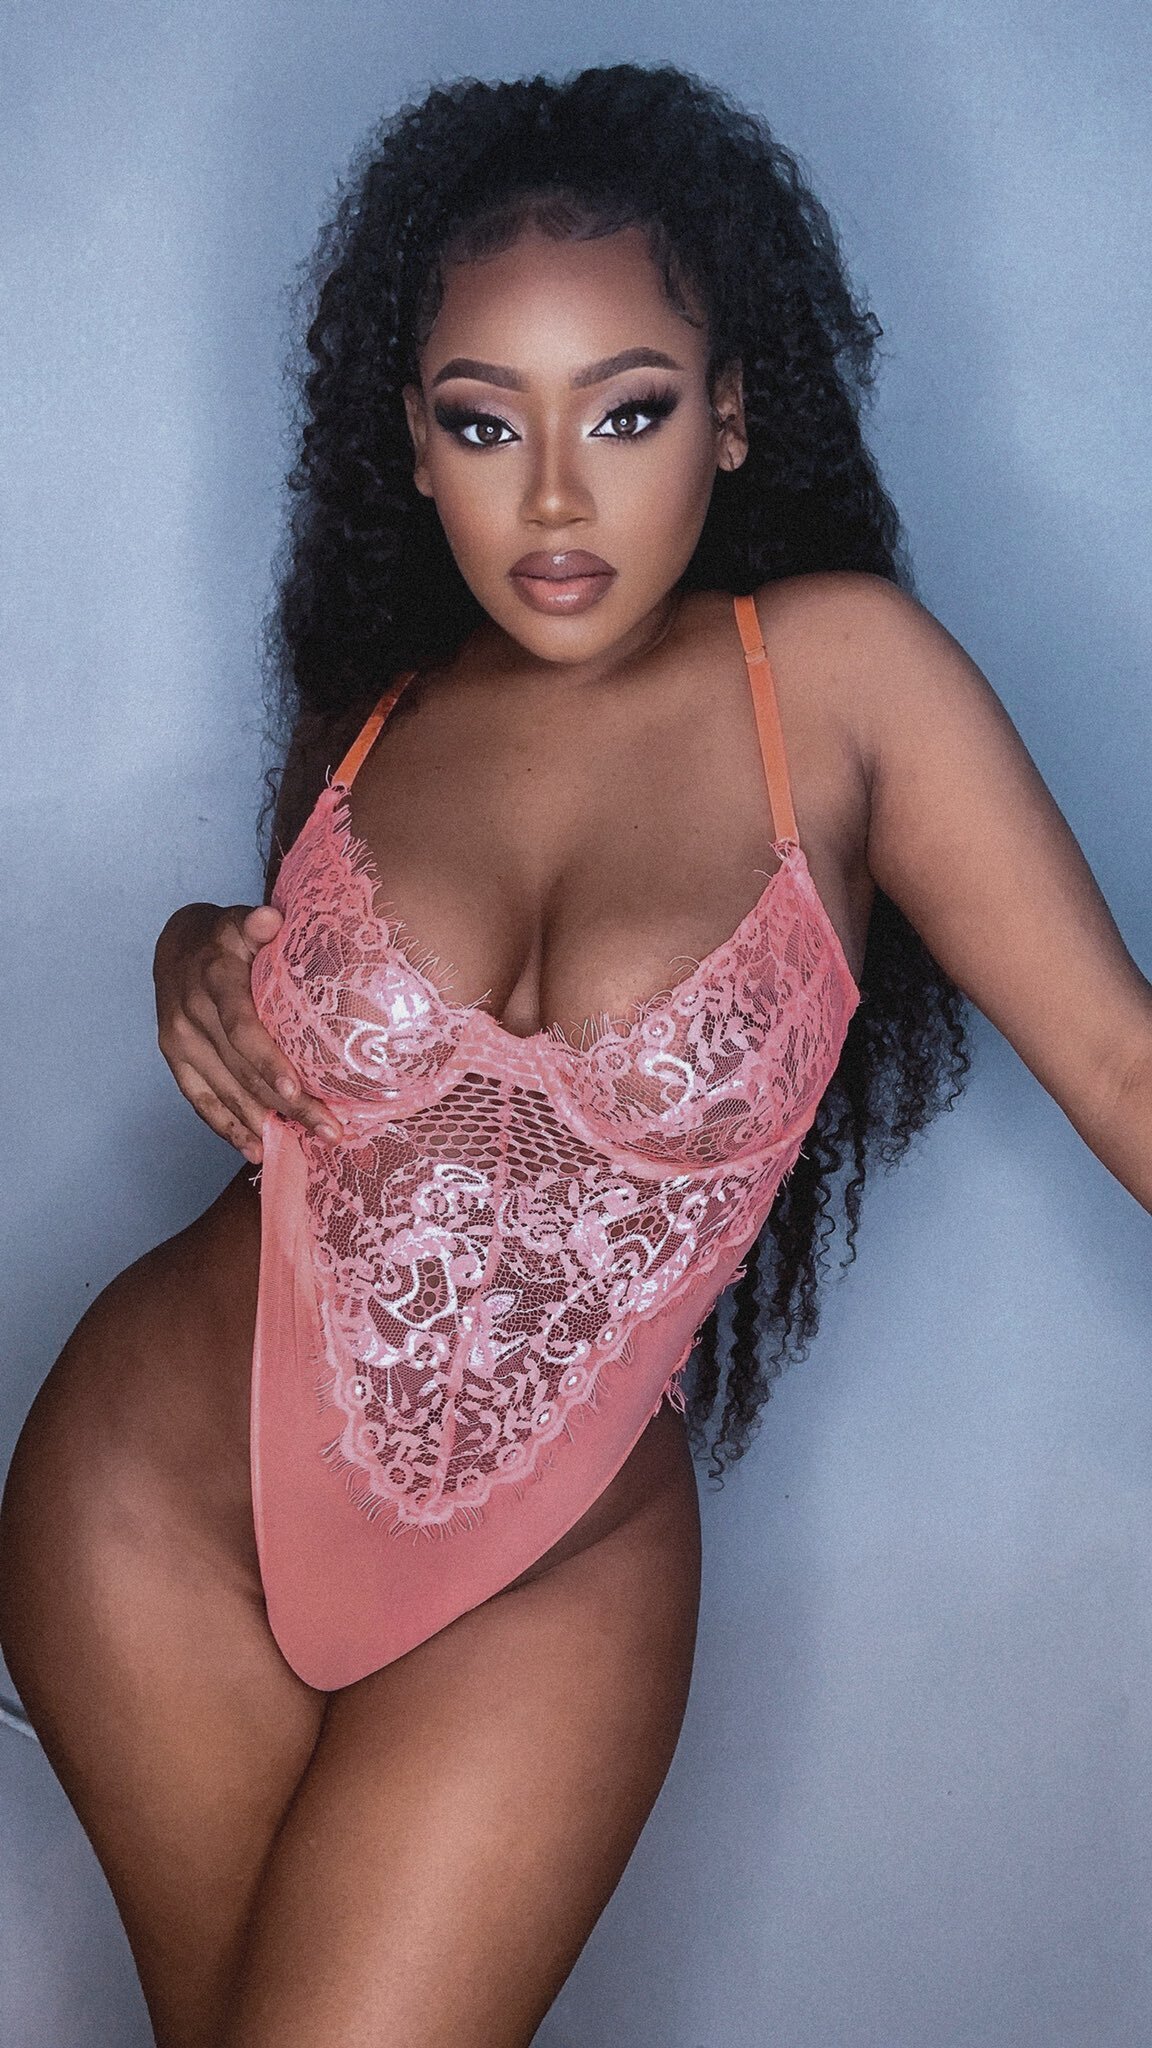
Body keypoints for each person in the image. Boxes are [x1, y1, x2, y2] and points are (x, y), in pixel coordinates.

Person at [2, 57, 1150, 2048]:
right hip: (152, 1496)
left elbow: (1129, 1072)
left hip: (550, 1573)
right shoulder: (379, 715)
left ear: (731, 414)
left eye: (625, 410)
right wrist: (189, 955)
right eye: (483, 420)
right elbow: (292, 1055)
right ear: (412, 443)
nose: (553, 496)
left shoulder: (842, 682)